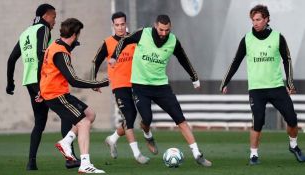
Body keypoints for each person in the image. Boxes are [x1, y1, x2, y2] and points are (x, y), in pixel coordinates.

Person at [109, 14, 212, 167]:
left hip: (161, 87)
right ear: (155, 26)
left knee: (180, 119)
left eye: (167, 30)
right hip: (140, 86)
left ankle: (198, 154)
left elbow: (183, 59)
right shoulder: (142, 34)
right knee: (147, 119)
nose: (164, 33)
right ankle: (148, 134)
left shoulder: (173, 41)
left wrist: (194, 78)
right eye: (161, 30)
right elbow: (124, 41)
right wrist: (114, 56)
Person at [220, 4, 305, 165]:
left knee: (292, 119)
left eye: (258, 19)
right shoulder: (247, 39)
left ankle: (293, 145)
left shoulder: (278, 37)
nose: (255, 23)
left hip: (276, 87)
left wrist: (289, 82)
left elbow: (287, 60)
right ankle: (253, 155)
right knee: (258, 120)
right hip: (256, 89)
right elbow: (236, 61)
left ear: (266, 19)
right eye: (253, 20)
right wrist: (225, 81)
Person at [6, 4, 80, 170]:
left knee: (39, 122)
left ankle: (31, 162)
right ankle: (70, 159)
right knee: (67, 116)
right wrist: (42, 83)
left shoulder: (25, 33)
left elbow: (11, 59)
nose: (54, 21)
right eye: (54, 17)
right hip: (42, 82)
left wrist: (10, 83)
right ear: (46, 16)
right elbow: (42, 55)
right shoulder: (44, 29)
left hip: (29, 82)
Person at [39, 18, 109, 173]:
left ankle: (66, 141)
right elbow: (74, 80)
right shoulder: (61, 53)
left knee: (90, 114)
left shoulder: (56, 44)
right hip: (55, 95)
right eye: (79, 34)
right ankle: (85, 164)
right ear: (75, 34)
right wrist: (99, 83)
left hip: (56, 92)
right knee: (84, 123)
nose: (79, 37)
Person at [91, 11, 157, 164]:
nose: (120, 28)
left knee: (137, 117)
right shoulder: (107, 43)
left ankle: (112, 139)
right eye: (117, 25)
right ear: (113, 25)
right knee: (129, 116)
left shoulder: (134, 39)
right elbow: (96, 61)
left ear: (126, 24)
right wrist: (94, 81)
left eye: (122, 24)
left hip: (138, 83)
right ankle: (137, 154)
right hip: (120, 86)